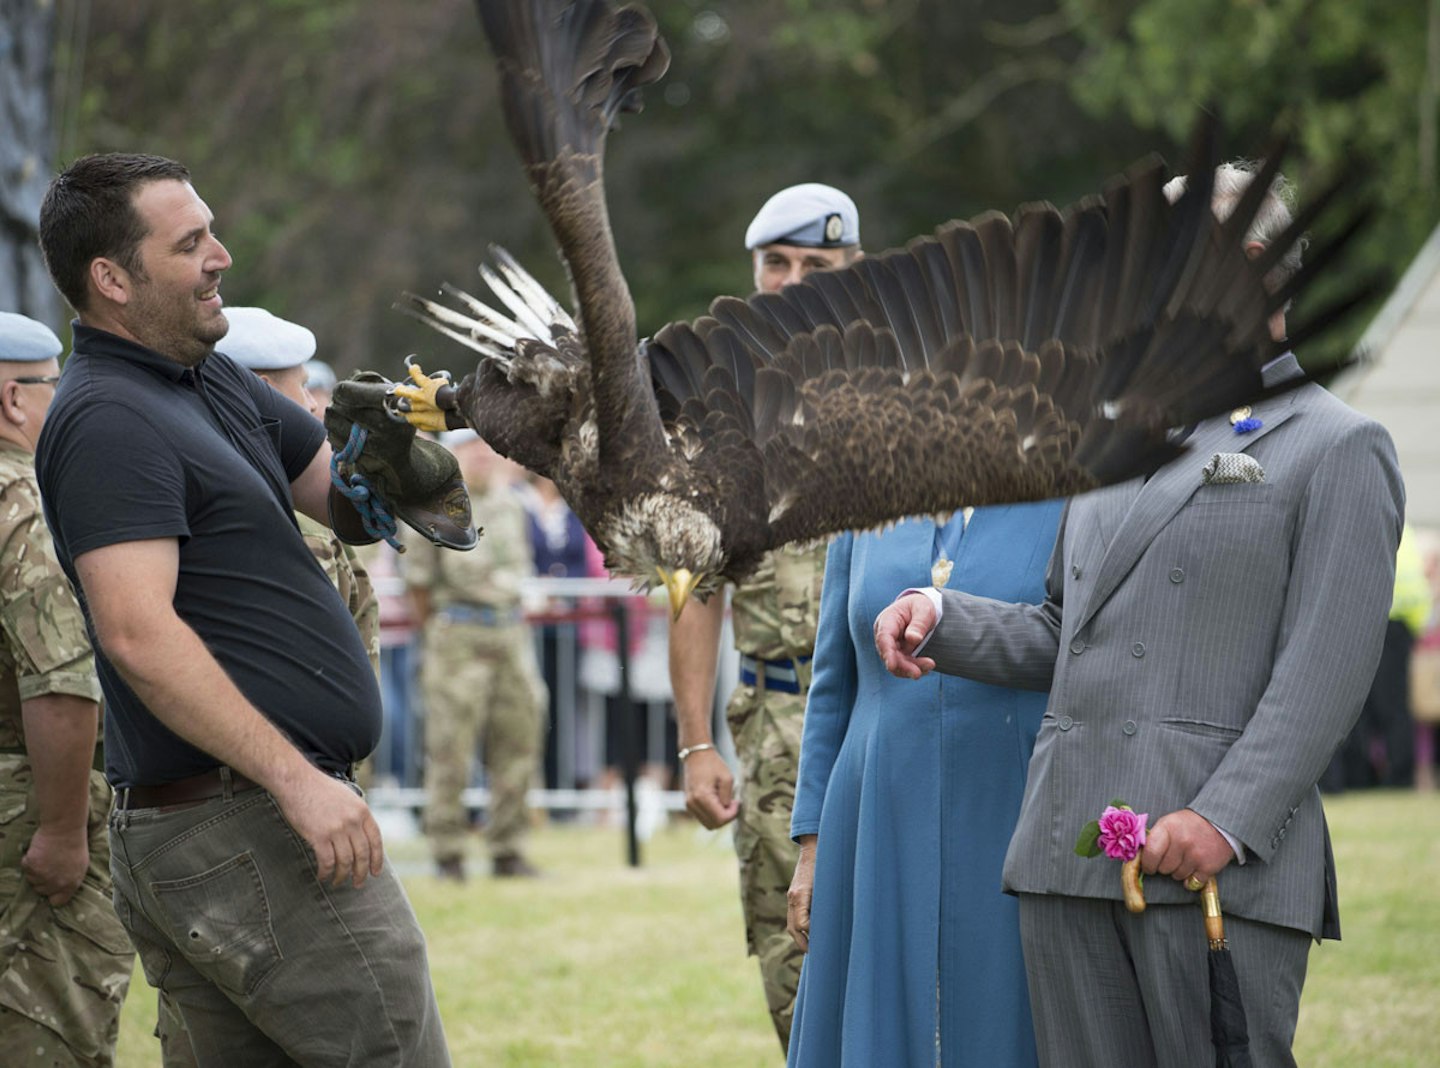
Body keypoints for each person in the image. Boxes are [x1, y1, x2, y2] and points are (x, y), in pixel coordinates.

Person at [874, 162, 1405, 1068]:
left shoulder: (1337, 445)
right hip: (1068, 851)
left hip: (1209, 862)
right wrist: (942, 615)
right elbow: (1062, 628)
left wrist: (1225, 819)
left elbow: (1325, 673)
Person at [34, 153, 450, 1066]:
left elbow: (344, 502)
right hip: (246, 820)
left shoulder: (206, 376)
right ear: (111, 278)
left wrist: (421, 432)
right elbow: (138, 634)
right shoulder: (108, 418)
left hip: (237, 822)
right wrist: (301, 784)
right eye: (190, 244)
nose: (222, 255)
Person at [669, 182, 861, 1050]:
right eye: (775, 265)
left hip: (895, 712)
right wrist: (695, 741)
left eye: (816, 266)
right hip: (781, 723)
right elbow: (695, 589)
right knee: (798, 965)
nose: (791, 283)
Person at [787, 502, 1062, 1067]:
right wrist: (812, 846)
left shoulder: (1070, 497)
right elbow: (832, 681)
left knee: (1003, 1014)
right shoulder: (864, 502)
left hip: (1010, 802)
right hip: (873, 811)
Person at [0, 311, 134, 1067]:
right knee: (50, 1030)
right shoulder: (26, 509)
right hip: (28, 810)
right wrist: (61, 829)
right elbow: (60, 682)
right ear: (16, 401)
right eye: (56, 386)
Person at [404, 428, 546, 879]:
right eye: (471, 447)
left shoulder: (512, 503)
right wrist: (440, 636)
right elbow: (419, 586)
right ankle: (448, 851)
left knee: (519, 739)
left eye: (487, 446)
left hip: (508, 633)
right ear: (452, 455)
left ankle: (508, 847)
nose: (483, 456)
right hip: (458, 635)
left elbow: (520, 569)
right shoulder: (432, 505)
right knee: (450, 747)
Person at [221, 306, 381, 686]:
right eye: (302, 386)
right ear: (263, 393)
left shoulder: (312, 501)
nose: (312, 403)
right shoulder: (230, 499)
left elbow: (359, 609)